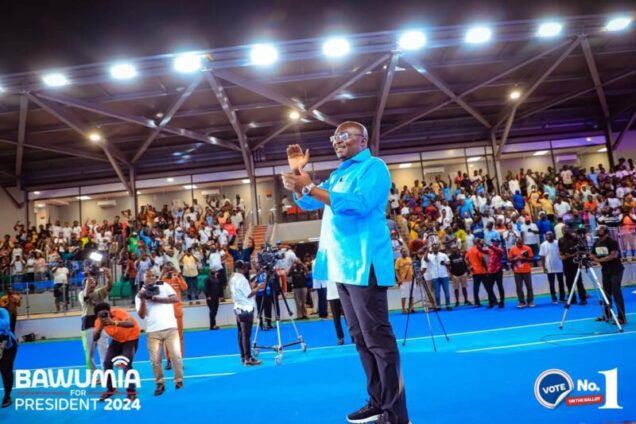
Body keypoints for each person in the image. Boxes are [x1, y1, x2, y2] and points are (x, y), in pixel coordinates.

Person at [282, 121, 409, 424]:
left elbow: (359, 205)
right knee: (361, 339)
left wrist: (310, 186)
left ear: (363, 140)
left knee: (378, 340)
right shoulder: (340, 173)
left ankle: (396, 414)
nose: (336, 142)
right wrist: (299, 177)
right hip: (342, 267)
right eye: (334, 138)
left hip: (365, 264)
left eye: (343, 136)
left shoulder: (374, 167)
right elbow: (309, 200)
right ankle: (377, 402)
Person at [136, 269, 184, 396]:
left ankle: (179, 381)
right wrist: (143, 300)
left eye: (153, 275)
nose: (152, 278)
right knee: (155, 360)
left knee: (176, 356)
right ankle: (160, 383)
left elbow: (175, 299)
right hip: (152, 330)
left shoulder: (164, 286)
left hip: (170, 327)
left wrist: (157, 299)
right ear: (143, 278)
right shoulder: (139, 295)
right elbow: (141, 315)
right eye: (148, 276)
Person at [93, 302, 141, 401]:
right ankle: (111, 389)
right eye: (100, 315)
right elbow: (95, 338)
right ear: (97, 315)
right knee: (107, 363)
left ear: (109, 311)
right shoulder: (98, 321)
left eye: (105, 313)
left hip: (131, 339)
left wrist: (114, 322)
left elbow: (131, 324)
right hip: (117, 340)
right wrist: (101, 327)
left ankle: (131, 392)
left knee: (126, 364)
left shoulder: (119, 313)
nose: (104, 316)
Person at [590, 226, 627, 325]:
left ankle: (622, 318)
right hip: (605, 271)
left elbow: (613, 255)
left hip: (616, 270)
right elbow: (592, 254)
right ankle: (607, 315)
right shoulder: (596, 243)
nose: (598, 230)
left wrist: (599, 260)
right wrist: (593, 257)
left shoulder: (612, 242)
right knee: (606, 294)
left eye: (600, 229)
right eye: (597, 229)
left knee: (616, 293)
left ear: (605, 232)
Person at [78, 268, 113, 373]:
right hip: (87, 325)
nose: (91, 282)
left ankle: (107, 374)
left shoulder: (98, 293)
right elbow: (85, 296)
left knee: (105, 353)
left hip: (100, 324)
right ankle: (93, 375)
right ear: (84, 285)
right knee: (89, 354)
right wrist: (88, 278)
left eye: (93, 281)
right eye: (89, 282)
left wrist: (109, 277)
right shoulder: (81, 294)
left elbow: (109, 287)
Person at [230, 260, 263, 366]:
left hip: (238, 308)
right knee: (246, 335)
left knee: (241, 334)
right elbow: (249, 294)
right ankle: (248, 358)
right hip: (246, 309)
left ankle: (243, 357)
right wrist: (259, 287)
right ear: (242, 268)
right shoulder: (242, 279)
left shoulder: (233, 278)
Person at [160, 262, 188, 370]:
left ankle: (179, 359)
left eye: (170, 269)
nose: (169, 271)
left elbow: (185, 287)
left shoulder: (177, 278)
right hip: (166, 314)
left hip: (177, 313)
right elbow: (155, 287)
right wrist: (162, 274)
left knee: (179, 337)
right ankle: (168, 360)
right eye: (167, 269)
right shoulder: (162, 280)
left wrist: (178, 274)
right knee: (167, 338)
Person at [558, 227, 588, 305]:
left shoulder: (575, 238)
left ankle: (583, 298)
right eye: (563, 230)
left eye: (566, 230)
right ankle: (572, 298)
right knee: (568, 282)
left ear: (569, 230)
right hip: (565, 263)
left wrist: (571, 255)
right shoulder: (560, 240)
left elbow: (581, 250)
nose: (565, 231)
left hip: (575, 262)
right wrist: (562, 256)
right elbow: (560, 251)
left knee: (578, 281)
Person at [423, 244, 452, 310]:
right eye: (434, 248)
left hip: (444, 276)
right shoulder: (430, 256)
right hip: (435, 276)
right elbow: (425, 259)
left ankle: (448, 305)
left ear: (438, 248)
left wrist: (445, 263)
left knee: (446, 291)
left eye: (436, 248)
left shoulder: (443, 255)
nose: (435, 249)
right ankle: (438, 306)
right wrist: (426, 251)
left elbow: (449, 262)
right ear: (432, 249)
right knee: (437, 293)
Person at [539, 232, 565, 304]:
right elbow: (542, 256)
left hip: (559, 265)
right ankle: (554, 298)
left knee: (561, 282)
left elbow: (562, 252)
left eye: (550, 234)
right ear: (545, 236)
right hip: (549, 266)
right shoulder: (543, 245)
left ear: (553, 235)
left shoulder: (557, 242)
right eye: (547, 235)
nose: (548, 236)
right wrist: (544, 267)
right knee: (551, 283)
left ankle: (562, 297)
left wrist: (563, 264)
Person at [508, 238, 535, 308]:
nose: (519, 245)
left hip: (527, 270)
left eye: (520, 244)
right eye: (518, 244)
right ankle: (521, 302)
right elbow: (509, 259)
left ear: (523, 243)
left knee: (529, 286)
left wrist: (524, 258)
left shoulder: (528, 248)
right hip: (517, 271)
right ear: (516, 243)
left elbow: (532, 259)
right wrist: (515, 259)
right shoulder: (512, 249)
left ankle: (530, 301)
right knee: (519, 287)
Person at [0, 307, 18, 408]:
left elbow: (6, 324)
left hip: (8, 346)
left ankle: (7, 397)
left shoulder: (3, 312)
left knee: (5, 370)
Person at [465, 240, 488, 307]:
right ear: (477, 243)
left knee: (476, 289)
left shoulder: (469, 250)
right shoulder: (478, 250)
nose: (481, 244)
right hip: (482, 271)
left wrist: (470, 266)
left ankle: (477, 303)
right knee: (488, 287)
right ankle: (493, 300)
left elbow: (465, 259)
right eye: (480, 243)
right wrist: (486, 269)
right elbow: (482, 259)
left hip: (475, 272)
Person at [486, 238, 505, 308]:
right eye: (493, 241)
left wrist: (485, 243)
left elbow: (493, 248)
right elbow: (481, 250)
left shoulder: (500, 250)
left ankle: (502, 302)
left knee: (500, 286)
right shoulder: (490, 250)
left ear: (498, 242)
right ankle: (491, 302)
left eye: (495, 241)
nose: (494, 243)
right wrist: (478, 244)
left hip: (498, 270)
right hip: (491, 270)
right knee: (489, 287)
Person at [395, 249, 414, 314]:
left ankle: (411, 308)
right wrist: (399, 279)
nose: (405, 253)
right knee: (404, 295)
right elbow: (396, 271)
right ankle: (403, 309)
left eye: (405, 251)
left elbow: (412, 268)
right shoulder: (398, 260)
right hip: (403, 281)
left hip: (411, 280)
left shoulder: (410, 259)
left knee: (411, 295)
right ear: (401, 253)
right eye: (403, 252)